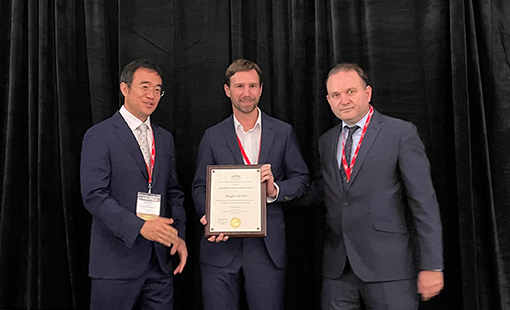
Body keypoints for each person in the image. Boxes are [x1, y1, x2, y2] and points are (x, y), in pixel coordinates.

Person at [319, 62, 444, 309]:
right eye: (336, 95)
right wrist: (275, 191)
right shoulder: (327, 141)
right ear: (329, 100)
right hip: (338, 270)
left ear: (368, 93)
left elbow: (423, 202)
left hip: (391, 269)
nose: (343, 100)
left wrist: (432, 265)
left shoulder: (400, 133)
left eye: (351, 91)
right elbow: (325, 189)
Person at [192, 59, 310, 310]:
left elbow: (301, 180)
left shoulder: (283, 132)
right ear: (227, 90)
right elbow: (200, 187)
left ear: (261, 89)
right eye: (239, 86)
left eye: (252, 86)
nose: (246, 93)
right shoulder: (212, 136)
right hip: (220, 247)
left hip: (267, 250)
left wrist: (274, 190)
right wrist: (209, 216)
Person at [80, 59, 187, 310]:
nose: (152, 95)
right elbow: (94, 195)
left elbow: (173, 192)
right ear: (125, 89)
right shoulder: (99, 135)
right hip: (115, 261)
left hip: (160, 262)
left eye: (158, 89)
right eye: (144, 87)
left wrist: (177, 235)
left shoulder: (164, 138)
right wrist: (140, 227)